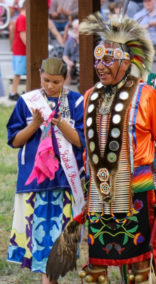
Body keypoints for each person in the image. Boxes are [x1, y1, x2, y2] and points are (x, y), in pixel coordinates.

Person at [79, 11, 156, 283]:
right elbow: (89, 150)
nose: (100, 66)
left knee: (138, 267)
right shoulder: (91, 95)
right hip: (101, 194)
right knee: (96, 269)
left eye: (108, 60)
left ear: (125, 62)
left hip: (138, 191)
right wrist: (88, 193)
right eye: (98, 60)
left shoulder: (147, 95)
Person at [6, 57, 85, 284]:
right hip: (35, 184)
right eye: (46, 80)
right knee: (40, 244)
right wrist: (34, 124)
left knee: (60, 244)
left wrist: (60, 123)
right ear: (40, 75)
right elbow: (15, 141)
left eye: (56, 82)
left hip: (64, 182)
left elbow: (80, 141)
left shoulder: (76, 101)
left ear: (66, 79)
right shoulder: (27, 102)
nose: (50, 85)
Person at [9, 1, 24, 101]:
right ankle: (13, 92)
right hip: (20, 50)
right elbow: (22, 34)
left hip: (18, 50)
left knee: (19, 72)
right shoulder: (22, 18)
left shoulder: (20, 17)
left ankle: (23, 91)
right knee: (18, 73)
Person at [62, 19, 79, 86]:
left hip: (82, 63)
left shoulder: (85, 41)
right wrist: (68, 62)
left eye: (77, 29)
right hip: (72, 63)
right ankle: (66, 89)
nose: (75, 31)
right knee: (67, 69)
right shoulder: (70, 41)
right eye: (74, 29)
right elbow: (65, 56)